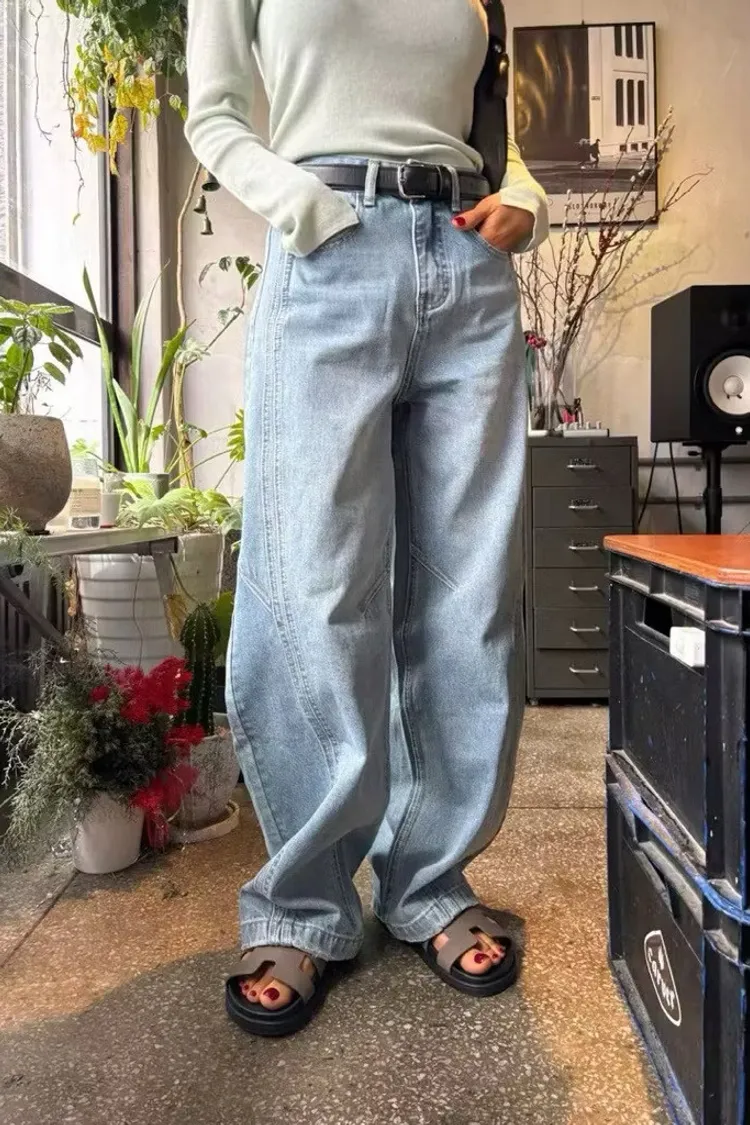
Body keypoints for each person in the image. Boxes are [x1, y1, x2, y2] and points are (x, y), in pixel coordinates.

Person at [185, 0, 549, 1038]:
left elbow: (499, 137)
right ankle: (302, 903)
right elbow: (214, 115)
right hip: (330, 256)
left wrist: (527, 202)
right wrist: (305, 208)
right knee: (314, 587)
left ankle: (430, 879)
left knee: (470, 593)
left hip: (471, 271)